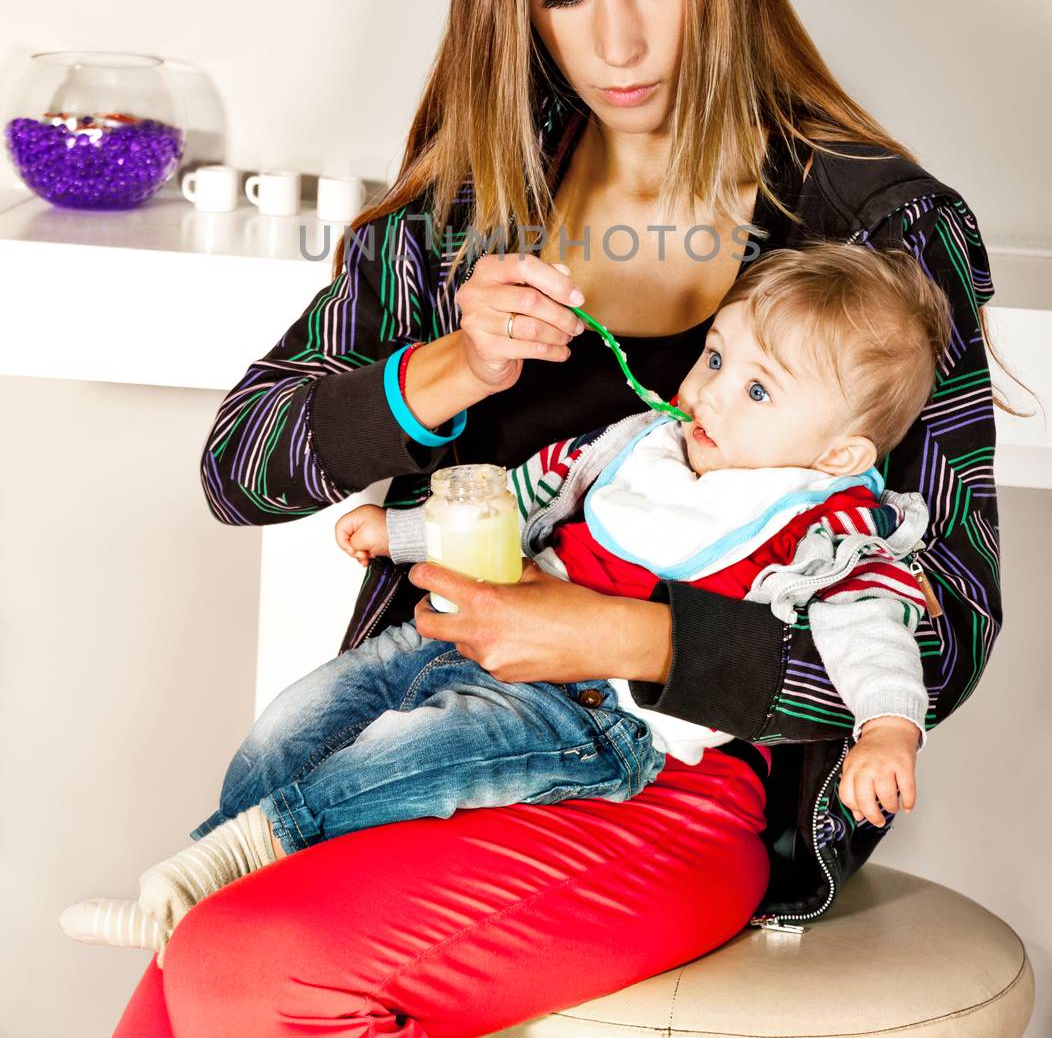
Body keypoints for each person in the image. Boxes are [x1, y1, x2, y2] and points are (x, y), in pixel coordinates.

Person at [101, 0, 1004, 1038]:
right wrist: (444, 371)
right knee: (175, 982)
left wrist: (627, 638)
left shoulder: (886, 240)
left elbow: (942, 624)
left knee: (244, 966)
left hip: (673, 788)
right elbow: (239, 468)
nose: (620, 42)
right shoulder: (467, 207)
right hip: (425, 753)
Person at [59, 240, 952, 961]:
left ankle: (229, 871)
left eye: (756, 390)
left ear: (839, 452)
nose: (708, 389)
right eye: (717, 356)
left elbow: (875, 631)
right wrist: (403, 533)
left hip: (601, 719)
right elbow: (514, 499)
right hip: (470, 638)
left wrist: (887, 729)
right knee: (307, 711)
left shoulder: (831, 522)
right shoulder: (639, 442)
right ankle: (202, 884)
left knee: (413, 751)